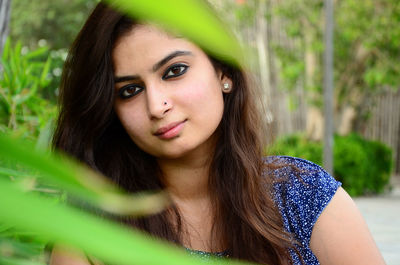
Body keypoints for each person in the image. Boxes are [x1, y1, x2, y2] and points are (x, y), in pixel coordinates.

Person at [50, 1, 385, 265]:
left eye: (174, 71)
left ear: (222, 71)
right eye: (129, 91)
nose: (156, 105)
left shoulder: (303, 196)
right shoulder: (92, 231)